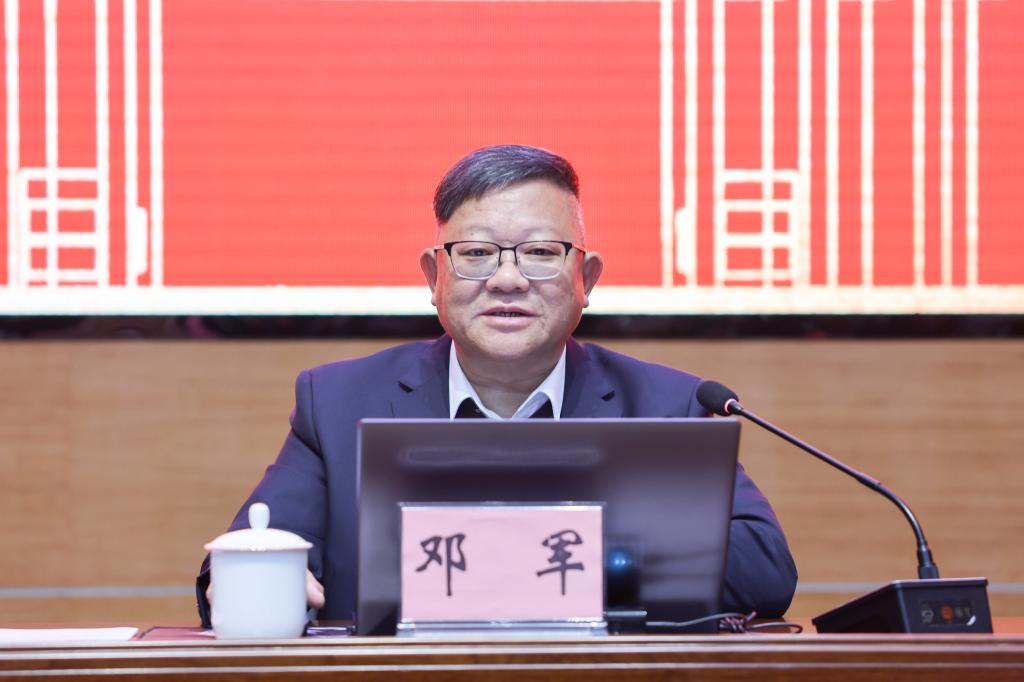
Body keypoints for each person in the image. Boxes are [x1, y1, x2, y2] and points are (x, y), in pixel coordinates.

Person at [196, 144, 797, 626]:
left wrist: (519, 558)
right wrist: (253, 580)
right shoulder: (336, 403)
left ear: (587, 279)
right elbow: (242, 562)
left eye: (540, 252)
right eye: (478, 252)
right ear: (433, 277)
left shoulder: (667, 405)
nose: (508, 280)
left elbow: (765, 570)